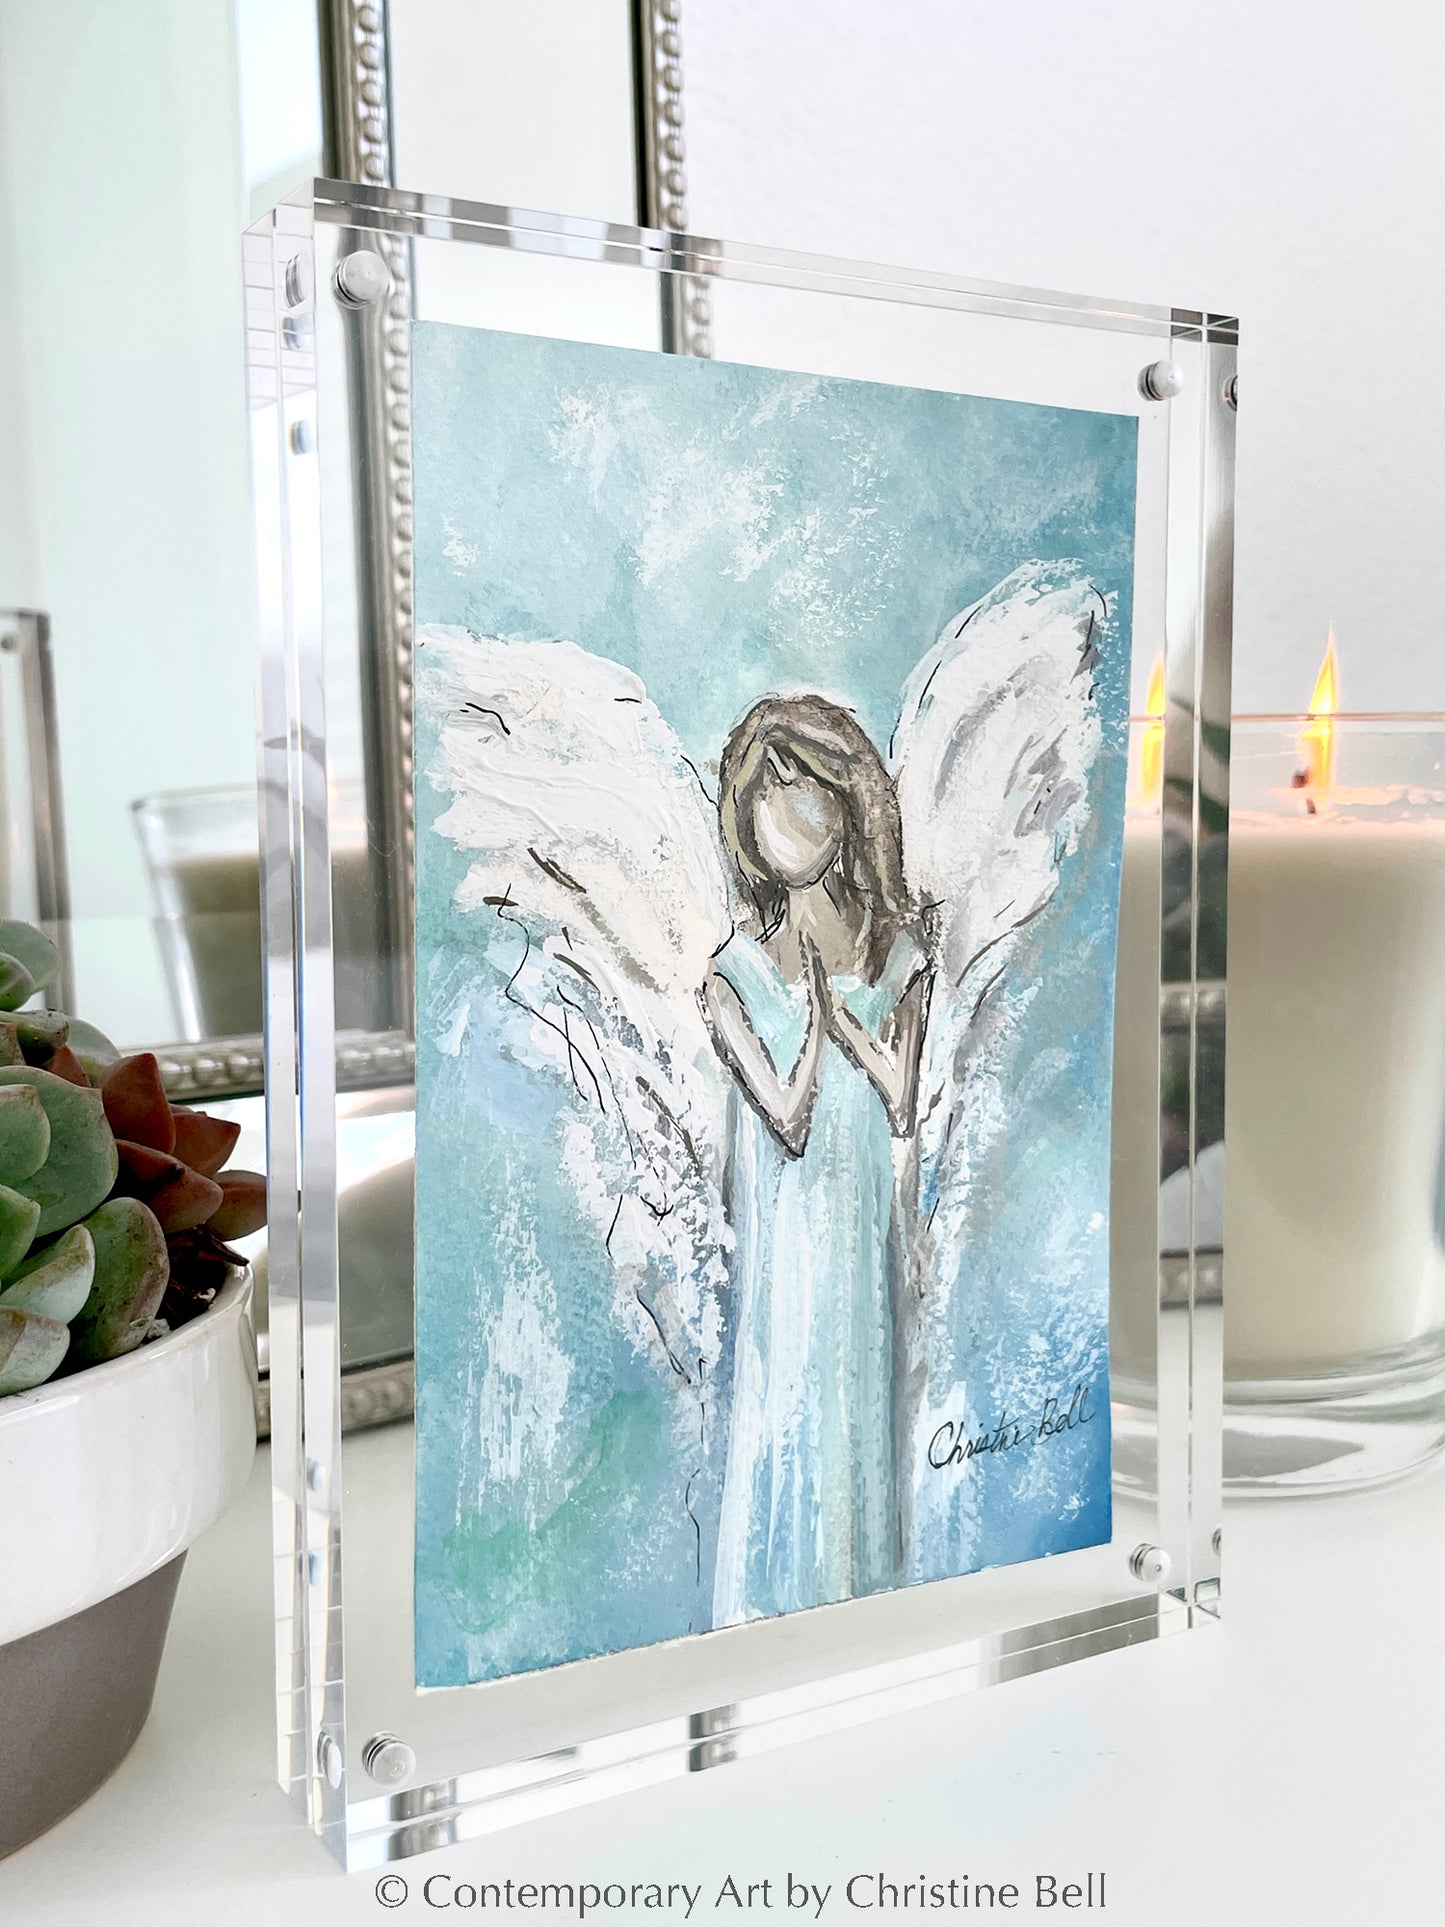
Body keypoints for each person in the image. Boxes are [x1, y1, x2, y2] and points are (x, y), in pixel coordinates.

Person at [699, 693, 934, 1624]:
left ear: (846, 800)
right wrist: (814, 1016)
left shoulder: (899, 953)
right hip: (785, 1257)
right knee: (784, 1413)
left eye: (801, 788)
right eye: (764, 794)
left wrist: (845, 1014)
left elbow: (900, 1097)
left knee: (859, 1419)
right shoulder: (731, 972)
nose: (784, 814)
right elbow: (788, 1117)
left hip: (862, 1242)